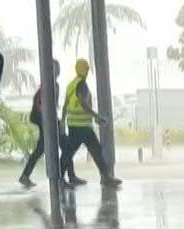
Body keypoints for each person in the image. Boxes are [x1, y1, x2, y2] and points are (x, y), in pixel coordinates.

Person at [19, 58, 85, 189]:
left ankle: (26, 176)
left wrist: (55, 119)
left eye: (57, 68)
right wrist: (47, 118)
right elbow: (39, 102)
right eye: (52, 68)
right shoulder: (47, 84)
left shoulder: (55, 85)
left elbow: (52, 105)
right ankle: (64, 178)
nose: (55, 71)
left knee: (46, 148)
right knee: (66, 146)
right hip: (43, 118)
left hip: (49, 119)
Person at [60, 58, 122, 188]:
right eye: (87, 68)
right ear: (84, 69)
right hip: (82, 127)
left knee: (70, 152)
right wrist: (97, 116)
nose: (88, 71)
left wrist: (63, 122)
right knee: (96, 151)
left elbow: (65, 105)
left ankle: (61, 179)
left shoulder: (71, 84)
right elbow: (83, 104)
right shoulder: (82, 84)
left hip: (73, 125)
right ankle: (106, 177)